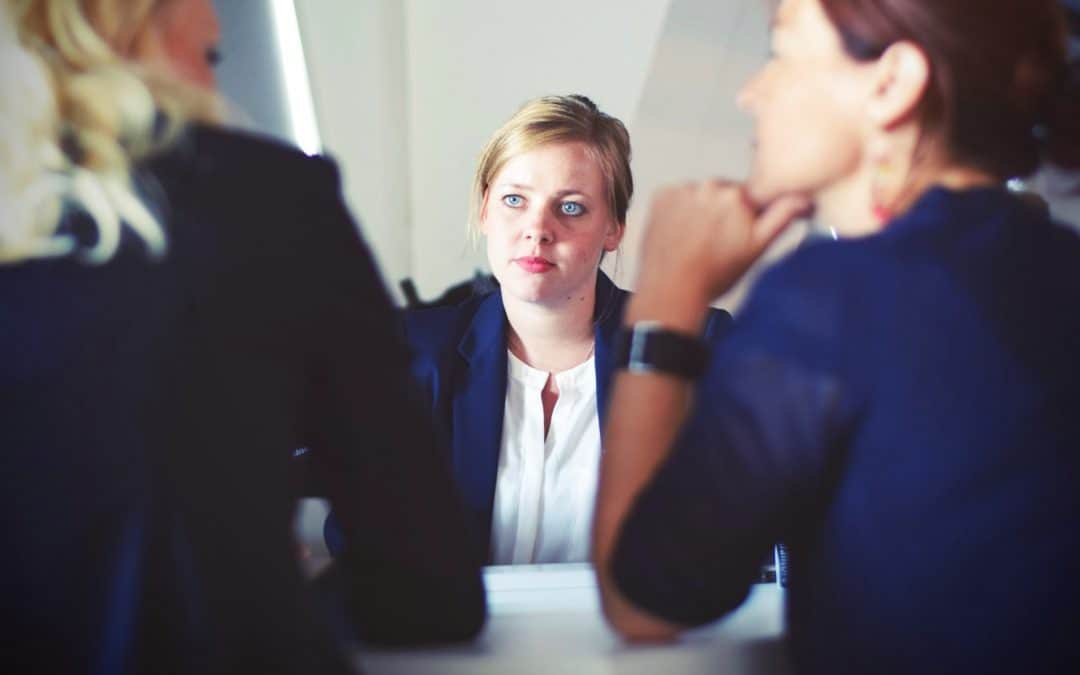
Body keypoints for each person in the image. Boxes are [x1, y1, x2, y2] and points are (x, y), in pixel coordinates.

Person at [592, 1, 1080, 674]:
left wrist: (666, 294)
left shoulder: (830, 297)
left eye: (781, 54)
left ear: (891, 84)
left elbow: (642, 598)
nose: (750, 93)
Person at [0, 1, 484, 673]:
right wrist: (259, 579)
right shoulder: (268, 196)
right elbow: (427, 585)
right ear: (129, 27)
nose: (216, 90)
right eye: (209, 57)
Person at [395, 95, 731, 565]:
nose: (538, 229)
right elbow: (363, 548)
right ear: (485, 209)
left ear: (613, 228)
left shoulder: (695, 345)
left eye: (570, 208)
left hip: (633, 636)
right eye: (515, 200)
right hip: (457, 637)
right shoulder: (415, 354)